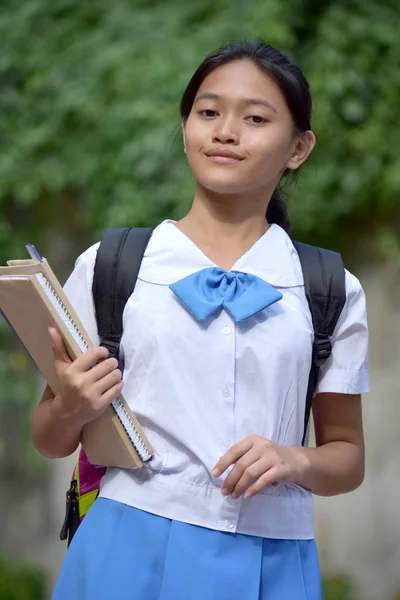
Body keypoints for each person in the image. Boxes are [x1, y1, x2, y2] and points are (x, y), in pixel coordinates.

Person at [32, 40, 369, 600]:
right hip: (126, 546)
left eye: (256, 118)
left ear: (298, 148)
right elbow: (48, 437)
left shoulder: (329, 289)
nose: (225, 131)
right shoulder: (112, 266)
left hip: (273, 558)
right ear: (186, 125)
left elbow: (348, 458)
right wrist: (70, 406)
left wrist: (293, 458)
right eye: (208, 112)